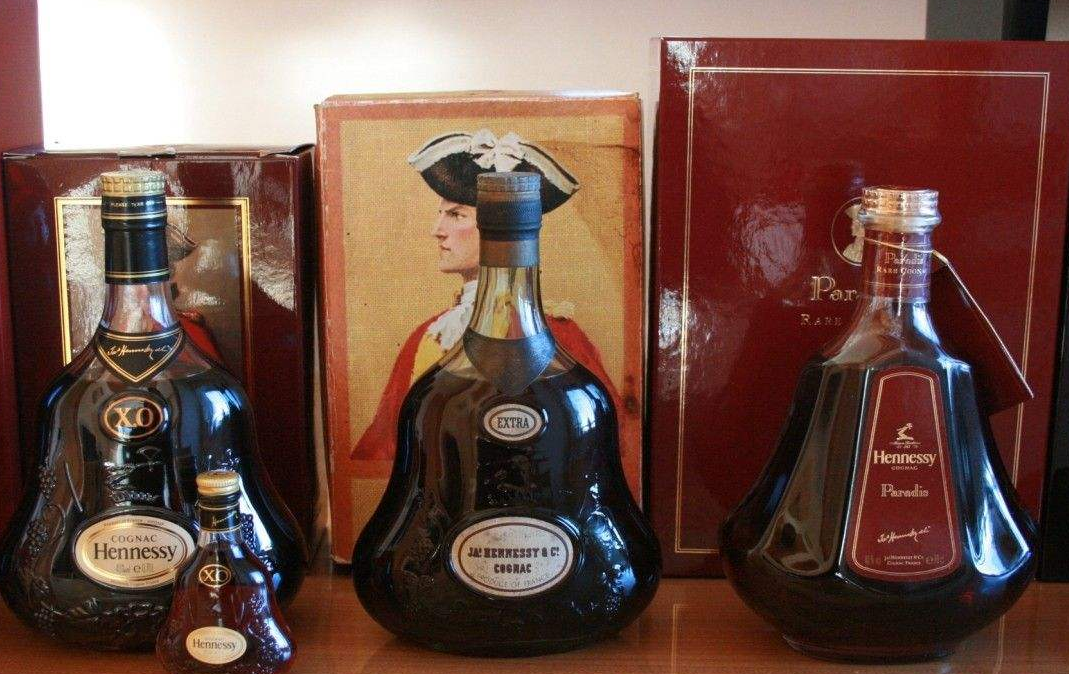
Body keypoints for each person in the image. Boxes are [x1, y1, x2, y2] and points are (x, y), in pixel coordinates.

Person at [352, 129, 627, 466]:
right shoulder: (427, 337)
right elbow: (381, 457)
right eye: (442, 214)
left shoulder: (562, 337)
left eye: (456, 215)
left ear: (496, 225)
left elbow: (606, 453)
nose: (437, 230)